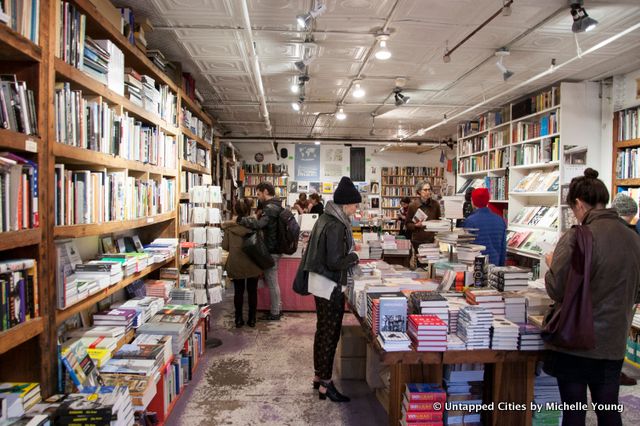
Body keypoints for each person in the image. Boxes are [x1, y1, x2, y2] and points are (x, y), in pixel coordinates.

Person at [543, 168, 640, 426]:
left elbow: (556, 288)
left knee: (574, 411)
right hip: (613, 341)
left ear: (578, 204)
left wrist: (552, 264)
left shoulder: (578, 236)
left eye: (573, 209)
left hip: (576, 338)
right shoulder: (633, 238)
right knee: (608, 409)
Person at [301, 176, 360, 403]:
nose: (356, 209)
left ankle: (319, 376)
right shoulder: (336, 225)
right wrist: (353, 256)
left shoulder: (326, 218)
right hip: (329, 285)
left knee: (322, 331)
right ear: (346, 204)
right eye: (355, 205)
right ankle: (326, 384)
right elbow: (335, 261)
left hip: (320, 283)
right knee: (330, 333)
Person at [241, 182, 283, 321]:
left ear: (265, 192)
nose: (258, 197)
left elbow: (259, 224)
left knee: (272, 281)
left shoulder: (270, 207)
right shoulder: (276, 205)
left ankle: (275, 312)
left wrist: (242, 220)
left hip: (271, 249)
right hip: (274, 247)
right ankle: (277, 308)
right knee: (271, 279)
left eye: (258, 194)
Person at [610, 192, 639, 387]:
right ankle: (614, 371)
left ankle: (613, 371)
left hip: (616, 292)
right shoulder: (631, 234)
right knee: (618, 334)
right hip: (624, 292)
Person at [222, 199, 263, 328]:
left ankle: (238, 319)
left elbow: (225, 246)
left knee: (238, 292)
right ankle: (252, 319)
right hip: (253, 262)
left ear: (235, 211)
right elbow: (261, 243)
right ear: (249, 210)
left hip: (236, 262)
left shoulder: (230, 228)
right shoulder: (255, 226)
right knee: (252, 292)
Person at [462, 188, 506, 266]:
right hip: (495, 265)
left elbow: (466, 249)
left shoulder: (470, 221)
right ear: (487, 200)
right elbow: (503, 249)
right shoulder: (500, 220)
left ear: (473, 201)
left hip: (477, 266)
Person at [405, 180, 442, 253]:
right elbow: (407, 224)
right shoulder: (413, 205)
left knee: (432, 262)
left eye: (429, 190)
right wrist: (415, 225)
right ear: (419, 191)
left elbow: (439, 221)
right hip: (418, 240)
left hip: (432, 239)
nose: (428, 192)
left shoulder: (435, 204)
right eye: (425, 190)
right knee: (420, 263)